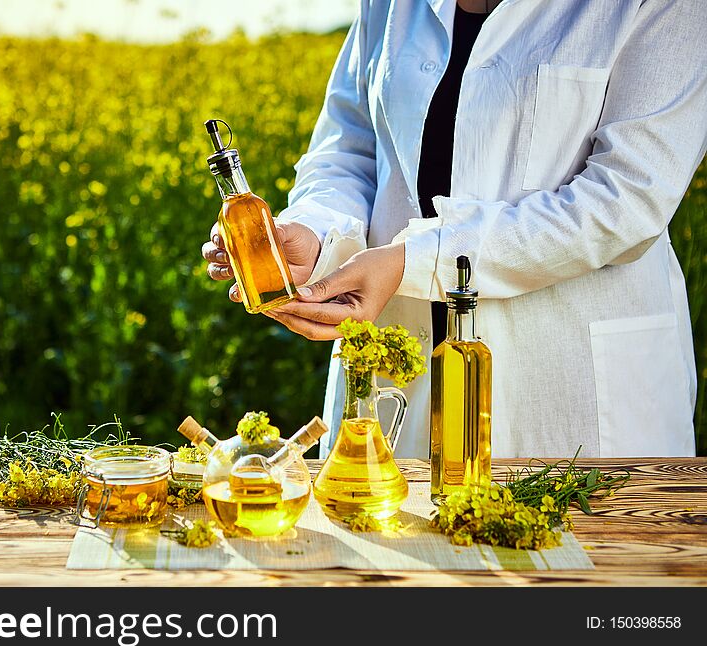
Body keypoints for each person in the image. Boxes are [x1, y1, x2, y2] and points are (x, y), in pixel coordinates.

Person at [202, 0, 707, 458]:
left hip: (575, 399)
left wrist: (415, 263)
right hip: (400, 382)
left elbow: (625, 201)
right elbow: (349, 150)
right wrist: (317, 237)